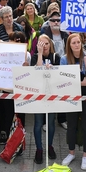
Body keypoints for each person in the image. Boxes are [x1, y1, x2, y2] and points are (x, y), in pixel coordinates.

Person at [60, 33, 86, 171]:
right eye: (73, 42)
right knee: (72, 125)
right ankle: (71, 153)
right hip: (72, 97)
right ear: (69, 45)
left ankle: (85, 155)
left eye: (78, 42)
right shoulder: (64, 59)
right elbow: (63, 80)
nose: (76, 45)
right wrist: (81, 83)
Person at [32, 34, 61, 164]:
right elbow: (37, 72)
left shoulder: (56, 57)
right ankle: (39, 149)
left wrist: (52, 70)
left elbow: (58, 76)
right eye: (41, 44)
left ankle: (49, 146)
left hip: (51, 96)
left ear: (50, 45)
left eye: (46, 44)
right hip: (38, 96)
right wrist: (39, 54)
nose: (44, 47)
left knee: (50, 123)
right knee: (38, 123)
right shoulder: (35, 57)